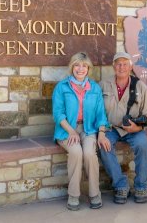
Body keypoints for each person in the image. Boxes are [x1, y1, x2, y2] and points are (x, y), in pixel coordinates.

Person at [52, 52, 110, 211]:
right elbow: (58, 113)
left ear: (88, 68)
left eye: (84, 66)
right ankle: (73, 195)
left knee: (90, 153)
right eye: (77, 65)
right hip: (66, 130)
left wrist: (102, 133)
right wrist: (71, 131)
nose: (80, 69)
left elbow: (100, 114)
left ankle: (94, 193)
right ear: (72, 67)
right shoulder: (62, 87)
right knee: (76, 152)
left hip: (88, 129)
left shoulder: (94, 88)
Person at [99, 51, 147, 204]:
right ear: (114, 66)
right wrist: (101, 131)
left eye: (125, 64)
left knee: (144, 146)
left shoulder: (140, 85)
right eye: (118, 64)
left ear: (131, 66)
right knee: (104, 146)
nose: (121, 67)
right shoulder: (103, 84)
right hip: (111, 128)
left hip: (134, 129)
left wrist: (137, 128)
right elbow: (97, 110)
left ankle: (141, 186)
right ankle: (121, 185)